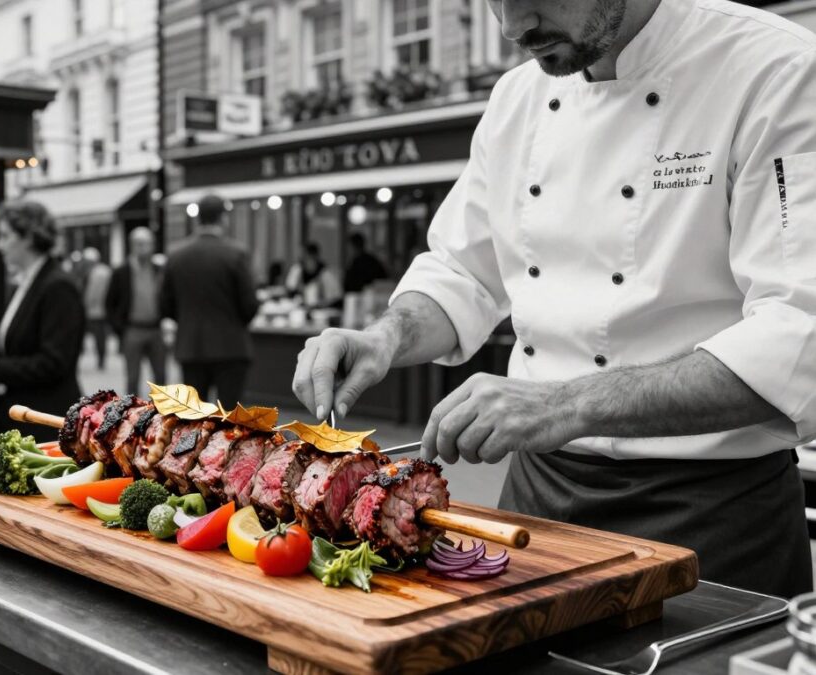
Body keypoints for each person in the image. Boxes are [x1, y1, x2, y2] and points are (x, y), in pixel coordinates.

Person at [293, 0, 816, 598]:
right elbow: (462, 271)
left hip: (713, 514)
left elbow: (800, 334)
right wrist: (385, 336)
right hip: (538, 500)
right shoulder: (516, 97)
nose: (513, 27)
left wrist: (563, 405)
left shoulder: (773, 69)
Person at [0, 200, 84, 444]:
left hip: (40, 417)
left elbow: (53, 363)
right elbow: (25, 344)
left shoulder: (58, 286)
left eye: (5, 236)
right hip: (19, 409)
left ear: (29, 238)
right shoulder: (30, 281)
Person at [160, 194, 259, 408]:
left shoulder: (176, 255)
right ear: (223, 218)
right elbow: (250, 304)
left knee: (196, 415)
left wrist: (187, 321)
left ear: (198, 218)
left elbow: (165, 304)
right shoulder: (236, 254)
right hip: (231, 346)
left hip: (191, 346)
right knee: (230, 416)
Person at [107, 227, 167, 395]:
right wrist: (119, 328)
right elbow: (110, 303)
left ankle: (161, 410)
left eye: (148, 244)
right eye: (140, 244)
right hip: (132, 329)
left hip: (156, 329)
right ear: (132, 245)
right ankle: (134, 410)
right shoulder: (121, 272)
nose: (144, 248)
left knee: (161, 376)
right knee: (132, 378)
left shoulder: (158, 269)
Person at [285, 242, 342, 309]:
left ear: (315, 256)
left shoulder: (326, 274)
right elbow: (290, 290)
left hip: (322, 311)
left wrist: (320, 305)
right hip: (301, 310)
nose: (304, 260)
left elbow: (336, 299)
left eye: (307, 257)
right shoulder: (298, 270)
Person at [83, 247, 112, 370]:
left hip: (96, 310)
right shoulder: (105, 270)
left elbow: (93, 293)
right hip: (105, 309)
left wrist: (86, 304)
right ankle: (102, 358)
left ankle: (101, 359)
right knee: (101, 336)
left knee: (99, 336)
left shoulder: (96, 273)